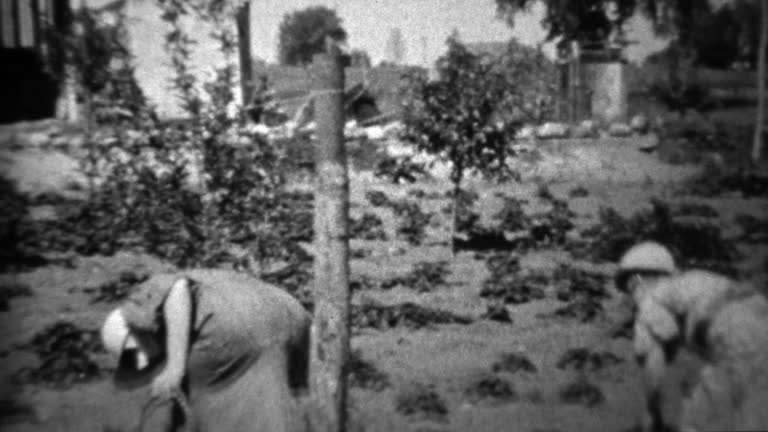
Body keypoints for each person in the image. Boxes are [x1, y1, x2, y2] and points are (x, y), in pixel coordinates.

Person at [100, 269, 311, 432]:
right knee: (265, 408)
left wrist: (174, 368)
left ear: (134, 334)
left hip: (241, 325)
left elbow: (177, 289)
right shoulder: (208, 284)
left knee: (189, 377)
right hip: (292, 313)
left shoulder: (134, 309)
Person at [615, 241, 768, 432]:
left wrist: (652, 414)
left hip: (737, 338)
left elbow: (655, 366)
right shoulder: (696, 280)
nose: (632, 296)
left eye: (629, 288)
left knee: (697, 423)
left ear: (636, 280)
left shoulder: (650, 299)